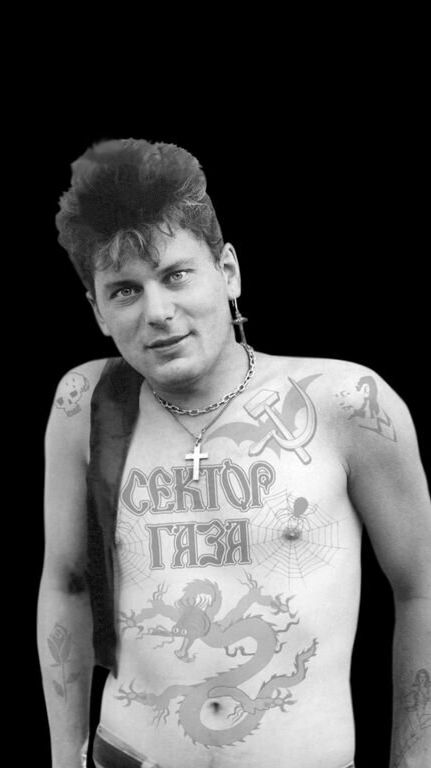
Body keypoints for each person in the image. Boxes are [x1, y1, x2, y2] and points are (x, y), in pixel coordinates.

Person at [37, 137, 431, 768]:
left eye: (176, 275)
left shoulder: (347, 402)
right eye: (125, 290)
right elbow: (66, 582)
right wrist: (64, 757)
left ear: (228, 271)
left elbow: (420, 590)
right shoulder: (85, 403)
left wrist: (414, 762)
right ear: (98, 310)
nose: (158, 312)